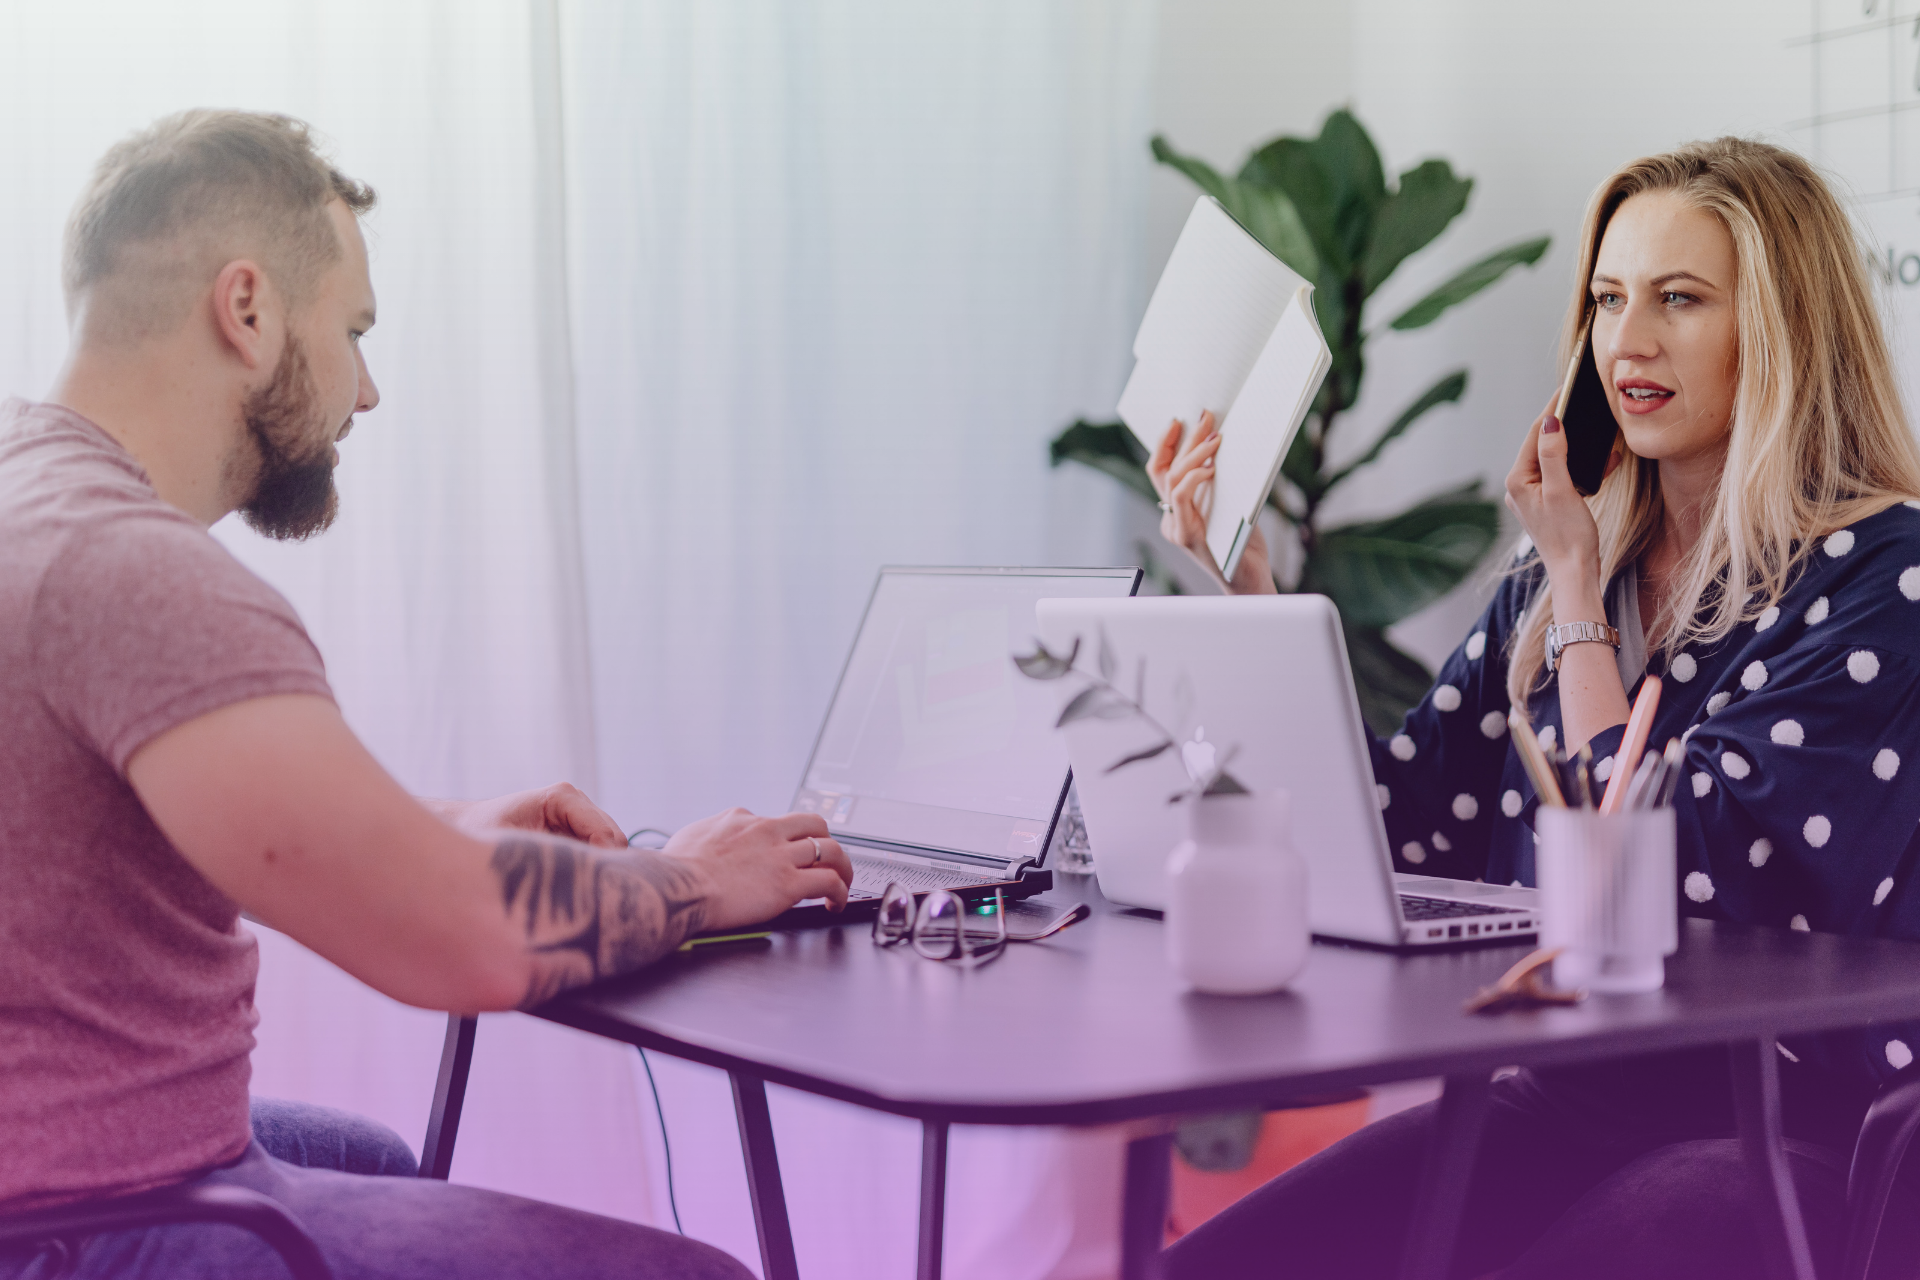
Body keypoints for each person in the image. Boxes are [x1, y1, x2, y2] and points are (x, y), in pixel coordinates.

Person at [0, 109, 855, 1280]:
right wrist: (703, 879)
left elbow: (136, 835)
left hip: (45, 1170)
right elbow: (457, 943)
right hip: (89, 1226)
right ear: (246, 309)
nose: (368, 391)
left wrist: (430, 834)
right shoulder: (135, 573)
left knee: (375, 1156)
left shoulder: (28, 497)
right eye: (352, 331)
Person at [1147, 137, 1920, 1278]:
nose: (1628, 341)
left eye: (1680, 298)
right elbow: (1402, 820)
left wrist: (1574, 597)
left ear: (1783, 330)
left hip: (1783, 1127)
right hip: (1568, 1102)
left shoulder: (1881, 570)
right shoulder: (1565, 562)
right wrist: (1251, 590)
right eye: (1609, 298)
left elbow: (1671, 867)